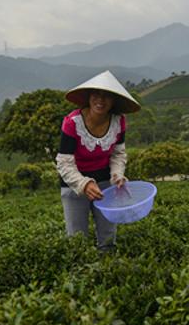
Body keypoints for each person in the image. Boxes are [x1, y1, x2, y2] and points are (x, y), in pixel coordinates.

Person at [55, 70, 141, 251]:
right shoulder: (72, 123)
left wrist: (117, 175)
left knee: (108, 235)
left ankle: (107, 271)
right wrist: (84, 184)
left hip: (105, 183)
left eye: (107, 96)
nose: (100, 100)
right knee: (77, 239)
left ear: (113, 101)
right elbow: (64, 162)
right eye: (96, 94)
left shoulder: (119, 121)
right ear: (89, 96)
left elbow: (118, 153)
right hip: (74, 184)